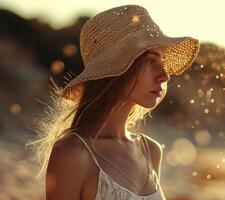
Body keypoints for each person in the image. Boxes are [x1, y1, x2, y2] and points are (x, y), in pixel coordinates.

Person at [27, 4, 200, 200]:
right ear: (118, 69)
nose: (165, 76)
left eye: (162, 62)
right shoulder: (72, 153)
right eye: (151, 61)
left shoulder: (150, 151)